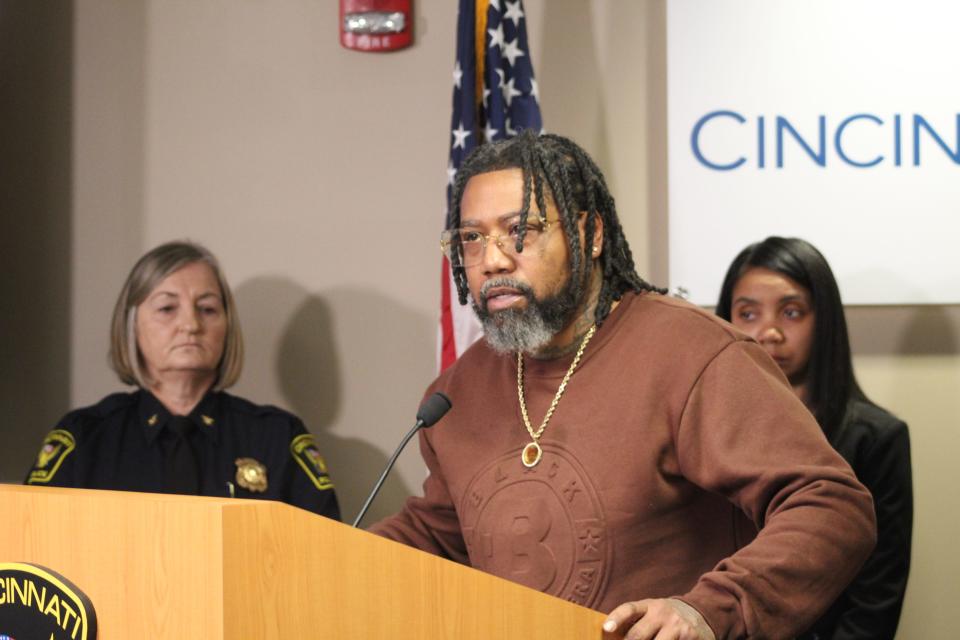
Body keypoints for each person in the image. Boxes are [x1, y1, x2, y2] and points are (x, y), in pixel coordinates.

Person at [369, 130, 876, 639]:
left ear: (589, 233)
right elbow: (446, 533)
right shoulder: (458, 390)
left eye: (520, 229)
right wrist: (311, 550)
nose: (493, 260)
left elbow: (830, 504)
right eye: (472, 238)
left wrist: (707, 611)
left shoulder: (693, 354)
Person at [25, 240, 340, 520]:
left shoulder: (276, 437)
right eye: (167, 308)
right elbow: (31, 552)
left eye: (207, 309)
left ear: (227, 326)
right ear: (131, 325)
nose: (190, 324)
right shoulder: (85, 438)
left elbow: (324, 558)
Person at [716, 236, 912, 640]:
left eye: (791, 312)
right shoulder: (705, 434)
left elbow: (875, 602)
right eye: (747, 314)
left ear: (824, 321)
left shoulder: (876, 439)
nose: (769, 332)